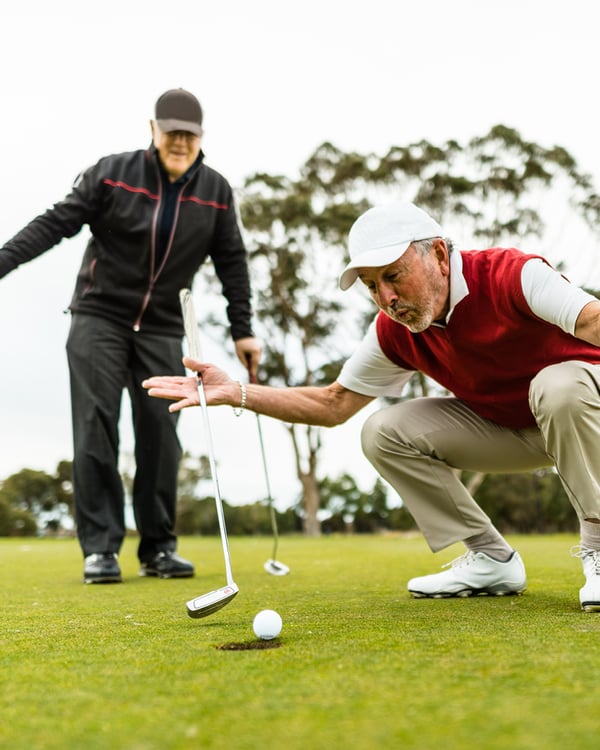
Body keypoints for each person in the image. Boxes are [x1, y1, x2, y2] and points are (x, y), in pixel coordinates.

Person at [143, 200, 600, 613]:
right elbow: (334, 404)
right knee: (382, 431)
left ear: (440, 256)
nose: (386, 299)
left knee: (558, 385)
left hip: (585, 414)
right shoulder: (393, 330)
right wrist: (236, 392)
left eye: (393, 276)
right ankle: (490, 558)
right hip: (518, 430)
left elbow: (592, 321)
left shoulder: (512, 275)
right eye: (371, 285)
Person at [0, 88, 262, 584]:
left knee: (161, 434)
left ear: (201, 137)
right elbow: (55, 224)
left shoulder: (216, 191)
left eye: (189, 135)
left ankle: (159, 548)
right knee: (96, 426)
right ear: (153, 130)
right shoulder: (112, 173)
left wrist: (243, 330)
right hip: (99, 316)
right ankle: (100, 550)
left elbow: (233, 263)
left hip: (162, 326)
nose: (180, 142)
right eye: (172, 132)